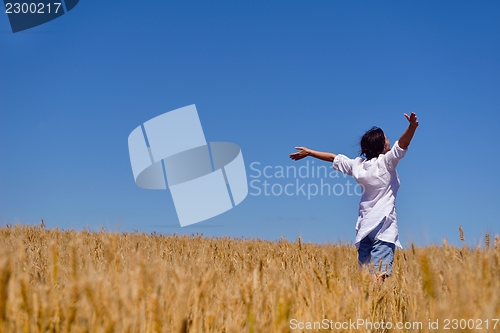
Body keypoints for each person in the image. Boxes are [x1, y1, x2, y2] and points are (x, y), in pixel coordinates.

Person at [289, 113, 419, 282]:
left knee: (365, 278)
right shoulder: (386, 162)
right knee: (378, 277)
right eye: (386, 139)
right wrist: (412, 127)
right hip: (383, 225)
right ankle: (365, 303)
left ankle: (356, 304)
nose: (389, 140)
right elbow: (402, 144)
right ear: (381, 147)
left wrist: (310, 152)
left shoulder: (357, 165)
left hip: (364, 227)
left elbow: (333, 158)